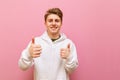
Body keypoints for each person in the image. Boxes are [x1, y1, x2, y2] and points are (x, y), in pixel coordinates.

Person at [18, 8, 78, 80]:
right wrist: (28, 54)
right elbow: (22, 66)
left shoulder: (68, 44)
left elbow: (71, 70)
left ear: (61, 23)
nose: (53, 23)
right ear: (45, 23)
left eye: (57, 21)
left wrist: (69, 58)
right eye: (50, 21)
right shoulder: (36, 43)